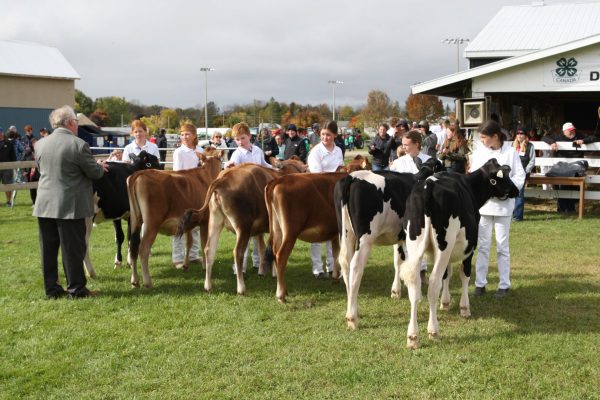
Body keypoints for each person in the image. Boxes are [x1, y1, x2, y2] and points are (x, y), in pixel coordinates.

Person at [33, 105, 107, 299]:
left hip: (44, 204)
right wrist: (99, 165)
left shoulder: (39, 144)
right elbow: (95, 173)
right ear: (71, 123)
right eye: (76, 121)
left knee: (48, 250)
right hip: (70, 205)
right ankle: (76, 289)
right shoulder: (78, 145)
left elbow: (41, 169)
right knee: (73, 249)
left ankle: (52, 289)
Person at [471, 120, 525, 298]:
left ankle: (504, 285)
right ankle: (480, 284)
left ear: (495, 136)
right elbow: (474, 175)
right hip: (484, 206)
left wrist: (510, 190)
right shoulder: (479, 153)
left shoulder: (510, 152)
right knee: (483, 246)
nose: (482, 140)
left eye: (484, 137)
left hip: (503, 206)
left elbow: (519, 174)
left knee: (502, 246)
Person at [225, 122, 272, 273]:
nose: (240, 142)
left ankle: (259, 262)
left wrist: (276, 168)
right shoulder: (237, 154)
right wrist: (228, 166)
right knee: (244, 231)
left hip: (259, 193)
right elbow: (231, 169)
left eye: (242, 138)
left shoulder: (257, 150)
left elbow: (264, 165)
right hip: (244, 196)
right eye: (237, 139)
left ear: (249, 136)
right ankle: (240, 266)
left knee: (259, 232)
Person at [307, 120, 344, 279]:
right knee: (316, 234)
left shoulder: (339, 151)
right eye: (322, 134)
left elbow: (340, 171)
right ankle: (317, 268)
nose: (325, 137)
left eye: (328, 135)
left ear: (335, 135)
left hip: (335, 195)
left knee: (333, 233)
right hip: (318, 194)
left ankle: (332, 266)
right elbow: (317, 176)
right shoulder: (316, 152)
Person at [542, 122, 599, 212]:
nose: (572, 132)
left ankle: (570, 209)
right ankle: (562, 208)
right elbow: (544, 137)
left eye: (573, 130)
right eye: (570, 131)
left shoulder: (579, 135)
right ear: (564, 131)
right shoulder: (559, 137)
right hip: (562, 168)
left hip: (576, 168)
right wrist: (552, 143)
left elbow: (594, 138)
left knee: (574, 188)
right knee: (562, 187)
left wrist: (584, 141)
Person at [171, 122, 205, 268]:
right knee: (180, 225)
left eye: (187, 134)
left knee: (196, 225)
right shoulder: (179, 152)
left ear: (194, 136)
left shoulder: (200, 150)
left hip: (197, 192)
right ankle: (177, 258)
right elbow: (177, 173)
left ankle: (193, 255)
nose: (184, 137)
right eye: (182, 134)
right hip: (183, 191)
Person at [512, 125, 536, 221]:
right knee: (511, 194)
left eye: (522, 133)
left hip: (523, 173)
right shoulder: (513, 146)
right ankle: (511, 215)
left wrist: (525, 171)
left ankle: (517, 217)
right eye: (518, 133)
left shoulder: (530, 146)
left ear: (525, 135)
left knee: (519, 194)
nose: (519, 135)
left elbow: (532, 161)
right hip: (512, 173)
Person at [0, 127, 16, 207]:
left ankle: (8, 202)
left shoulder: (8, 143)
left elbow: (13, 155)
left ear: (2, 133)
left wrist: (14, 165)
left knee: (8, 185)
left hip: (7, 167)